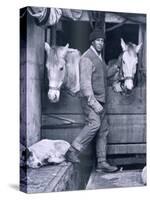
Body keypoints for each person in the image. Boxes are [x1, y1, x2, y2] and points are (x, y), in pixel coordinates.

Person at [66, 28, 118, 173]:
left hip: (102, 101)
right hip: (92, 100)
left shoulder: (99, 58)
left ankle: (102, 162)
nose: (101, 43)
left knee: (103, 130)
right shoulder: (87, 58)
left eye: (102, 41)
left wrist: (117, 66)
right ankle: (72, 151)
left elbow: (105, 73)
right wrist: (94, 103)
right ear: (92, 41)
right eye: (98, 40)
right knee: (94, 124)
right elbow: (85, 84)